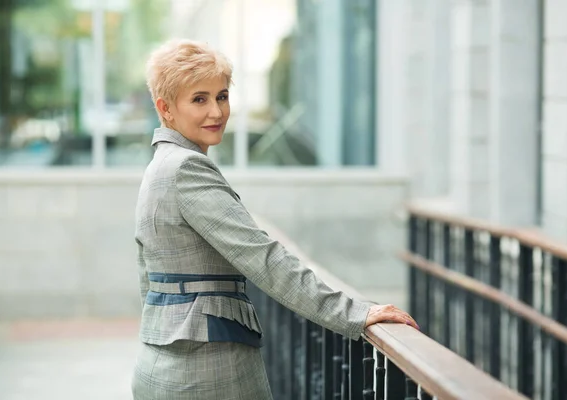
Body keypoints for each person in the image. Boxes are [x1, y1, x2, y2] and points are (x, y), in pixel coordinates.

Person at [131, 39, 418, 400]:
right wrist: (354, 314)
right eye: (199, 99)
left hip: (163, 363)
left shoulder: (159, 167)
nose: (217, 112)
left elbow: (148, 275)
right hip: (205, 369)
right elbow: (263, 257)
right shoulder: (187, 168)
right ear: (166, 108)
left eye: (221, 96)